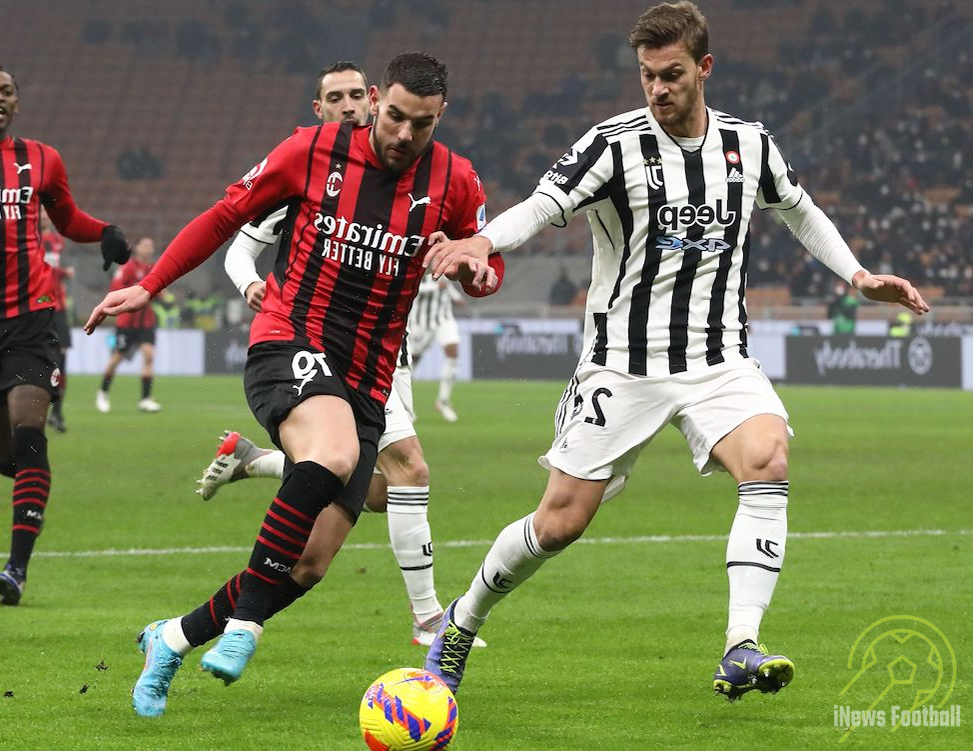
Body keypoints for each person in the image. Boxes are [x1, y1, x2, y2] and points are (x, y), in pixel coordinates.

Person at [422, 1, 929, 702]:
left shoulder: (749, 145)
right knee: (560, 521)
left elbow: (800, 208)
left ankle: (739, 645)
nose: (657, 90)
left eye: (671, 75)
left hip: (719, 357)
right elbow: (543, 204)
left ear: (704, 68)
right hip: (622, 365)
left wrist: (858, 275)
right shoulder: (613, 144)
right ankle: (461, 619)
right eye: (646, 76)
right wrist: (483, 241)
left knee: (769, 456)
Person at [85, 52, 503, 717]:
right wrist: (149, 283)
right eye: (392, 116)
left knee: (307, 562)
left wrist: (475, 268)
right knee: (331, 455)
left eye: (418, 125)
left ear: (439, 117)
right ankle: (247, 623)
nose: (401, 135)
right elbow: (225, 220)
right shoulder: (309, 152)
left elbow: (487, 259)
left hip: (370, 373)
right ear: (375, 99)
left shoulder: (454, 179)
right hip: (291, 337)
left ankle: (172, 636)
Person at [197, 60, 490, 649]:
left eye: (358, 94)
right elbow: (238, 240)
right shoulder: (308, 164)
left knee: (363, 500)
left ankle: (255, 468)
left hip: (383, 356)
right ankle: (428, 616)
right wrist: (249, 284)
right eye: (338, 97)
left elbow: (482, 259)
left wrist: (472, 262)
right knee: (408, 469)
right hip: (311, 347)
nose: (352, 105)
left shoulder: (438, 179)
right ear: (320, 108)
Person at [0, 63, 132, 605]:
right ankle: (19, 489)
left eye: (6, 91)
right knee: (7, 457)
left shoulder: (41, 159)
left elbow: (68, 218)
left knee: (31, 435)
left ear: (16, 103)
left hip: (33, 317)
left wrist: (103, 232)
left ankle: (16, 568)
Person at [96, 237, 161, 413]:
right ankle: (103, 392)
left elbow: (159, 291)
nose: (148, 249)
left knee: (149, 355)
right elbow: (116, 290)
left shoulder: (154, 269)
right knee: (117, 358)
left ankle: (145, 399)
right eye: (145, 245)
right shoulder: (127, 268)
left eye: (150, 246)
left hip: (146, 321)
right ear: (137, 248)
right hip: (127, 322)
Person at [408, 273, 463, 421]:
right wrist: (434, 286)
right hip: (421, 323)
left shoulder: (444, 262)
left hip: (444, 318)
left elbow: (446, 285)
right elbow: (412, 287)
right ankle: (406, 406)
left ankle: (443, 401)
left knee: (453, 353)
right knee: (410, 364)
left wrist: (456, 297)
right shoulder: (418, 265)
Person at [42, 213, 75, 432]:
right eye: (41, 214)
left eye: (47, 214)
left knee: (61, 360)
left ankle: (57, 413)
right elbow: (40, 268)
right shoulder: (30, 239)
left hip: (59, 307)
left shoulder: (57, 241)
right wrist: (64, 272)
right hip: (39, 305)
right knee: (40, 360)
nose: (45, 217)